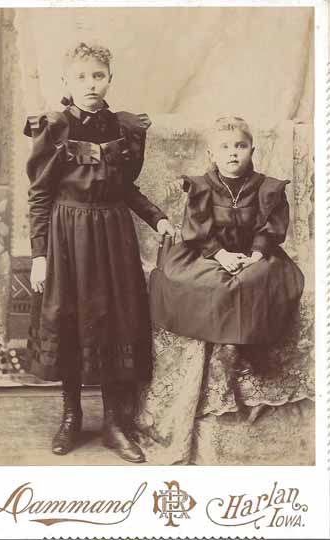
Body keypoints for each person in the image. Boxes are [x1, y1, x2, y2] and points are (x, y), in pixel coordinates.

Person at [24, 40, 174, 462]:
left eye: (98, 75)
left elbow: (127, 189)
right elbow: (39, 196)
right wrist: (40, 255)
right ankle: (71, 416)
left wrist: (158, 218)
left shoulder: (124, 129)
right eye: (81, 76)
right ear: (66, 82)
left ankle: (114, 423)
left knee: (117, 322)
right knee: (68, 319)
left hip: (112, 236)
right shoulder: (54, 128)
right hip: (67, 237)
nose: (91, 84)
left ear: (109, 79)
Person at [149, 116, 304, 403]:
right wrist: (219, 254)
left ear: (252, 151)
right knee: (202, 281)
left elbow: (270, 228)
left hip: (255, 253)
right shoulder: (201, 187)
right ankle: (227, 345)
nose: (233, 152)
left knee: (256, 279)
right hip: (208, 251)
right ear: (212, 155)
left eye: (240, 145)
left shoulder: (267, 188)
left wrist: (255, 255)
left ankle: (250, 345)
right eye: (224, 147)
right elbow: (197, 228)